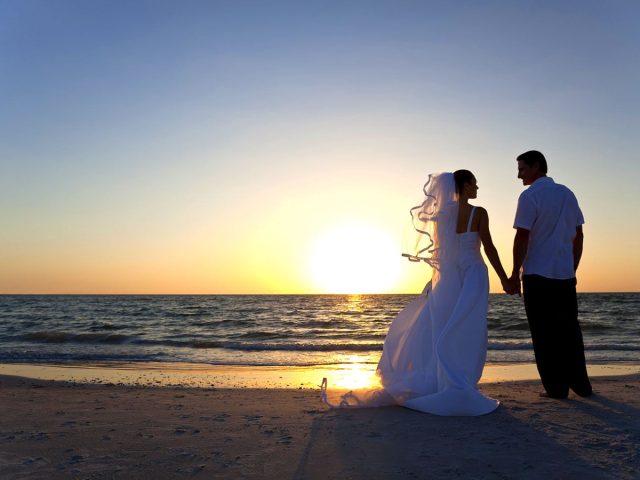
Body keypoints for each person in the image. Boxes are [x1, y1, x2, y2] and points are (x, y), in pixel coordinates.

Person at [322, 171, 507, 415]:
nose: (477, 187)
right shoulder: (479, 212)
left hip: (450, 278)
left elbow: (440, 254)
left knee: (443, 327)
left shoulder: (442, 216)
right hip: (472, 273)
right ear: (464, 185)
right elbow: (489, 246)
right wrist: (506, 278)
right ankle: (461, 381)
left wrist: (437, 283)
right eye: (474, 183)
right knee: (469, 327)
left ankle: (446, 380)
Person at [509, 150, 592, 399]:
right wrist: (573, 266)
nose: (519, 175)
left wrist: (514, 274)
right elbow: (579, 234)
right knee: (569, 332)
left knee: (543, 334)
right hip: (564, 275)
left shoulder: (529, 196)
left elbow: (522, 236)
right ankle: (581, 385)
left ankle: (556, 389)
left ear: (536, 166)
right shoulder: (567, 193)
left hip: (537, 273)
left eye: (522, 169)